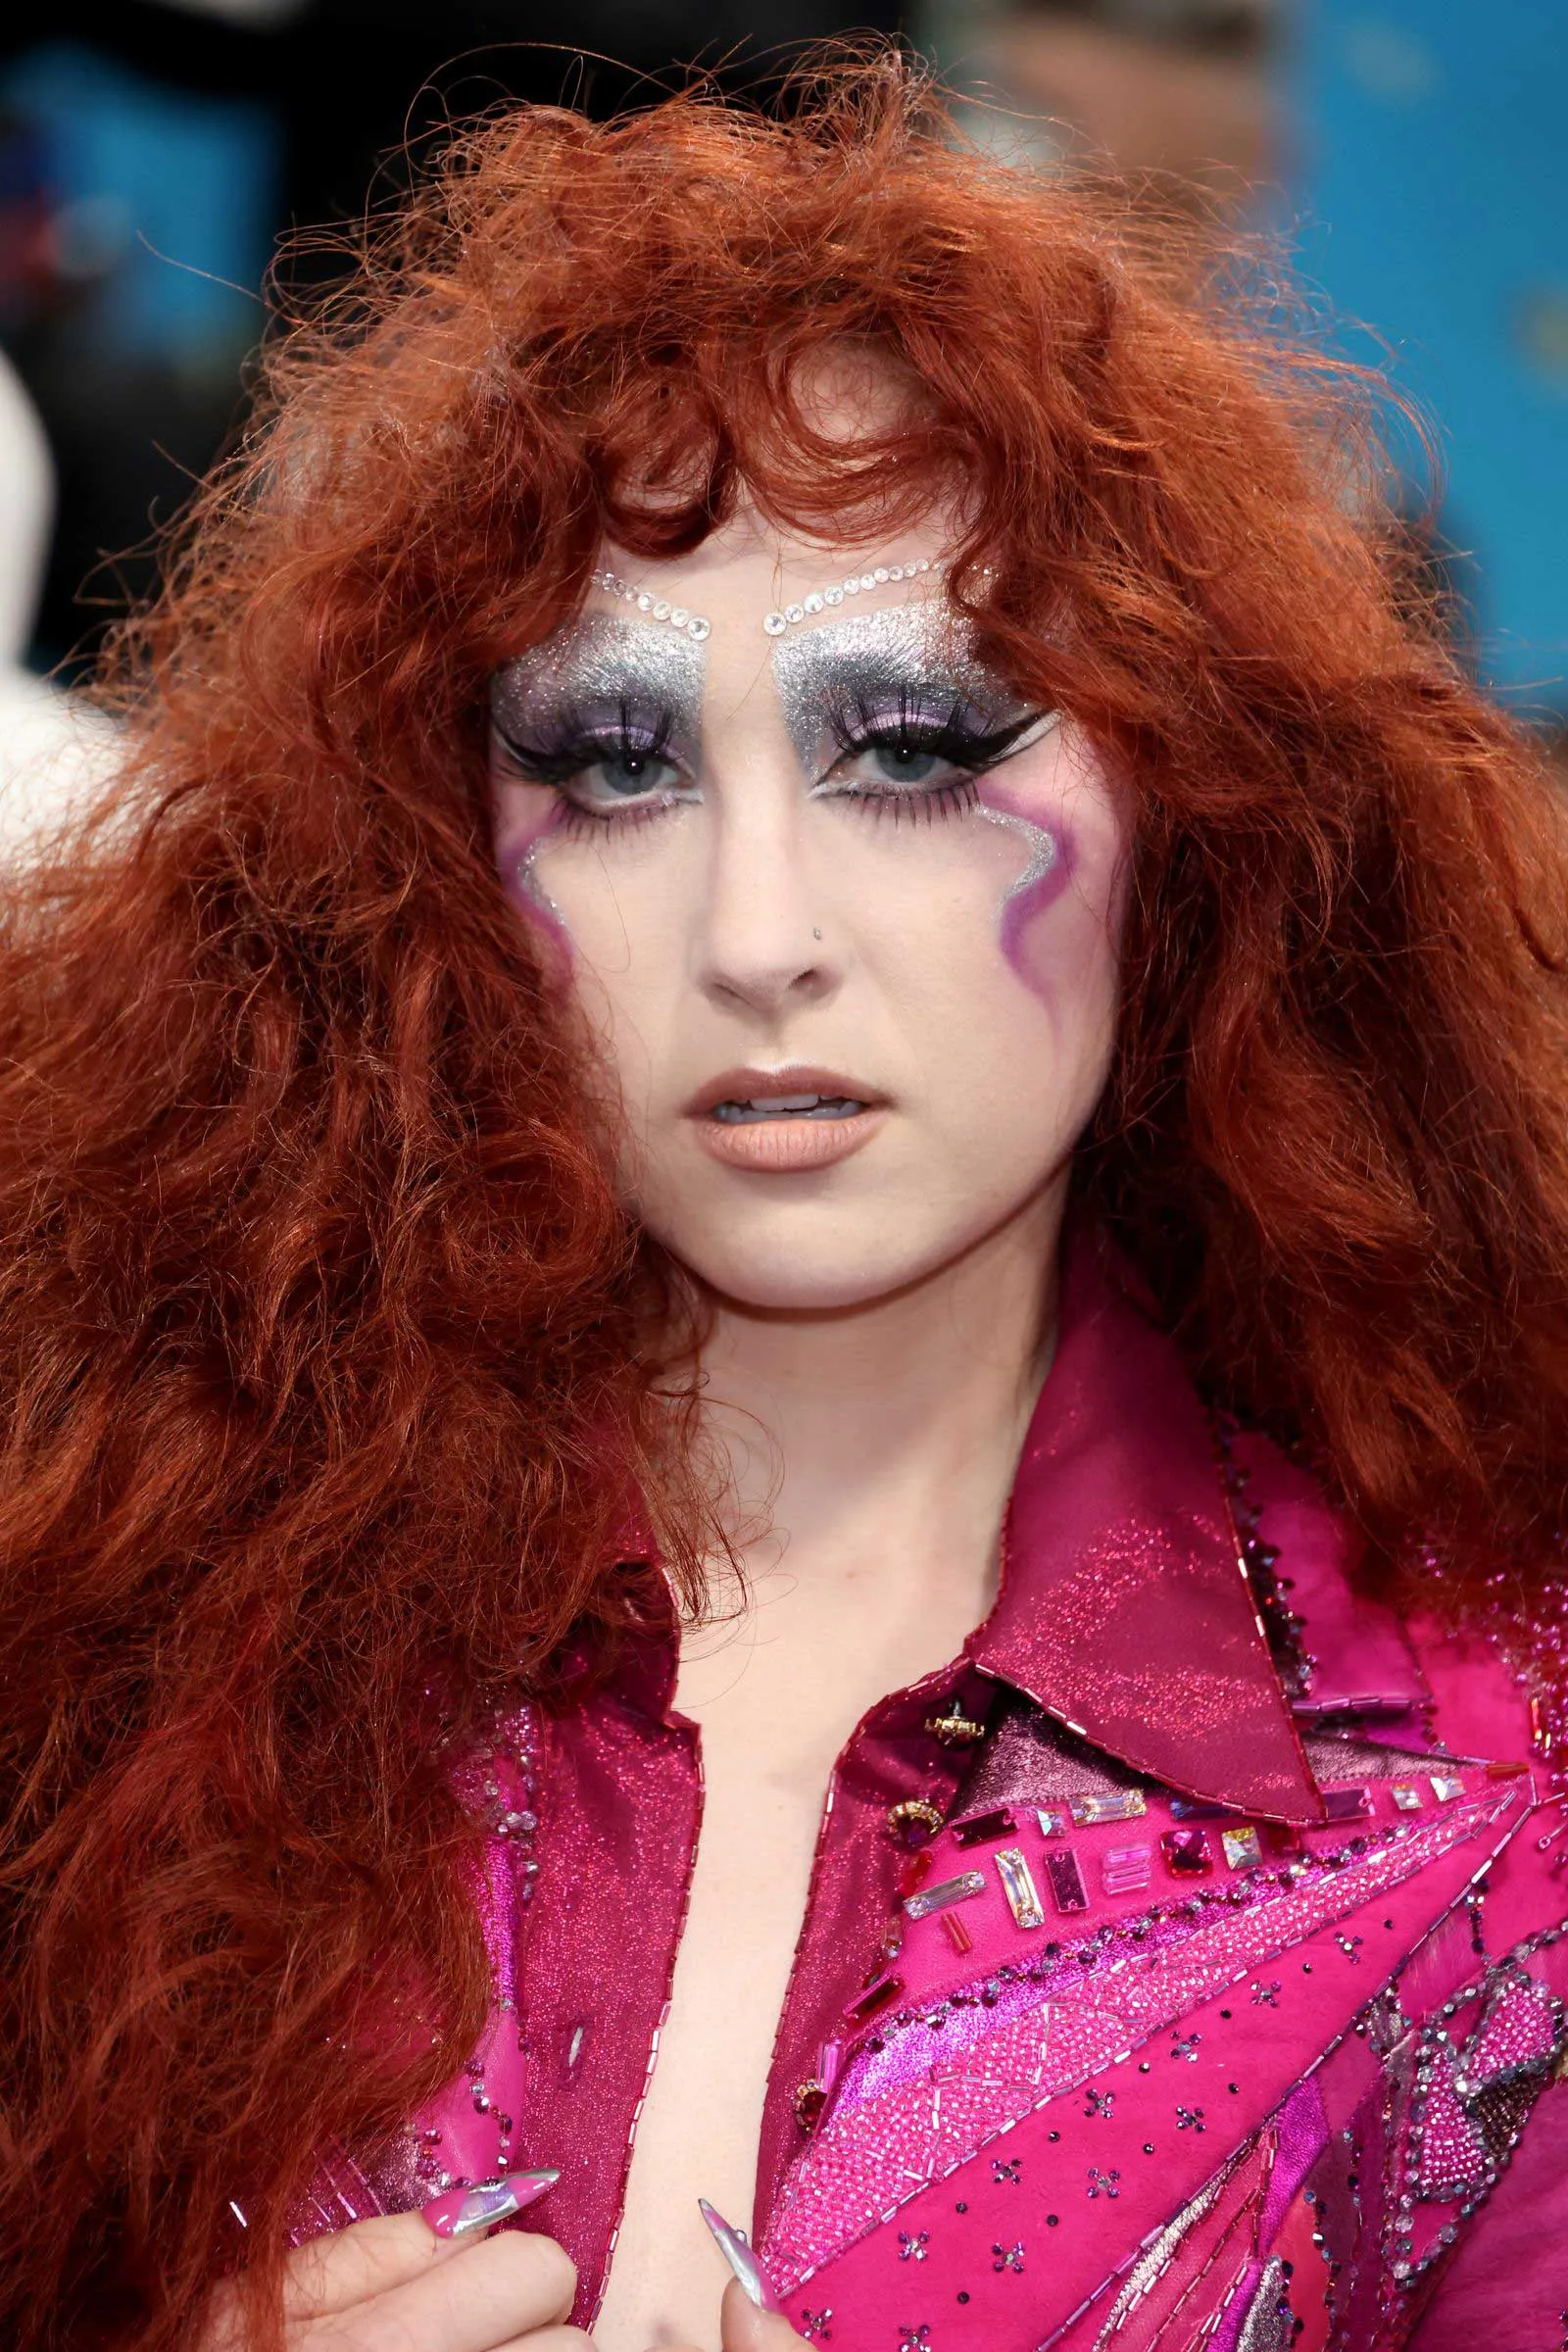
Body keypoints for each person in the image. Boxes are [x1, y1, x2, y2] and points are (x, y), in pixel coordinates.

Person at [2, 52, 1565, 2352]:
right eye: (609, 765)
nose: (756, 935)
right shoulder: (103, 1596)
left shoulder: (1485, 1796)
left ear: (1193, 798)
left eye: (914, 749)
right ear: (434, 849)